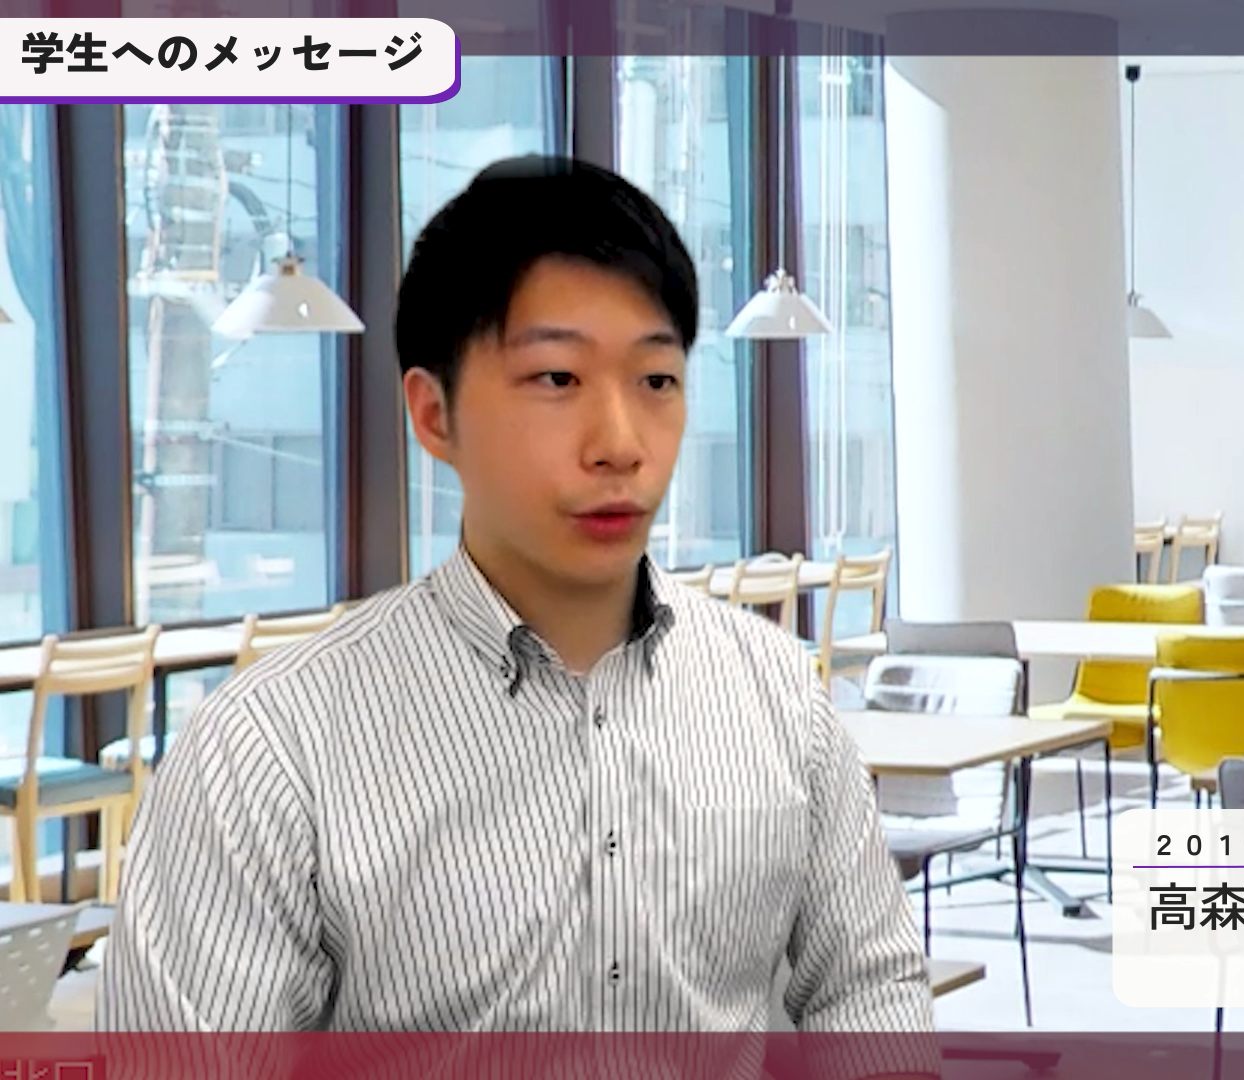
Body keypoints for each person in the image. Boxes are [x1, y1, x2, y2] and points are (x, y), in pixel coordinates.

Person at [96, 155, 939, 1074]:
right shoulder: (270, 748)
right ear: (435, 415)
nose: (620, 445)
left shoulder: (773, 690)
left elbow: (869, 985)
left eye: (656, 381)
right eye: (556, 379)